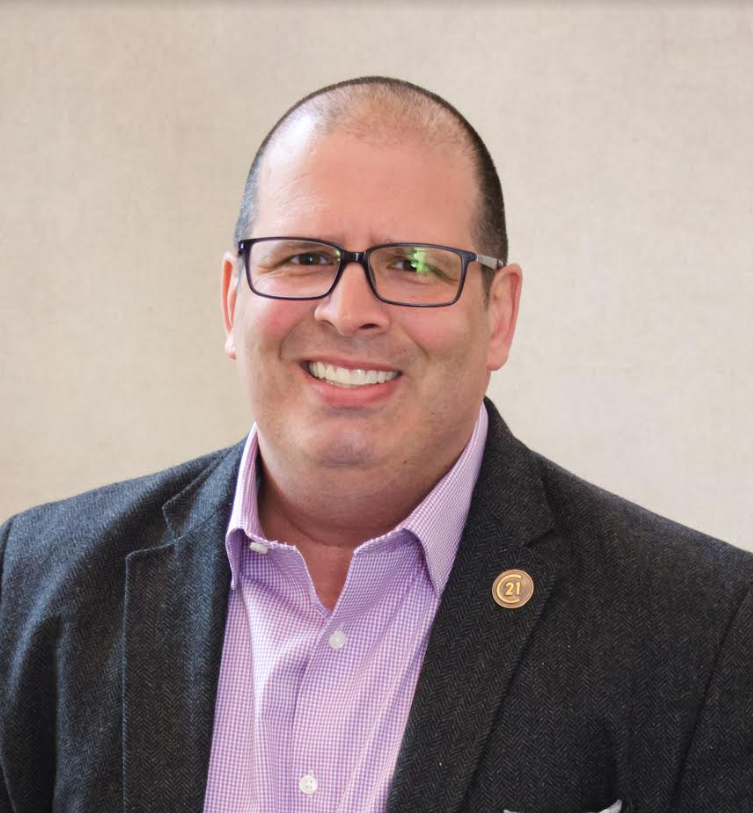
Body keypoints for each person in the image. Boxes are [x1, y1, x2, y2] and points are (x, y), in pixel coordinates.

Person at [0, 77, 751, 813]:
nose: (346, 310)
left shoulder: (702, 628)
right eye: (303, 257)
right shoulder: (32, 585)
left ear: (498, 314)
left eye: (413, 264)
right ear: (233, 301)